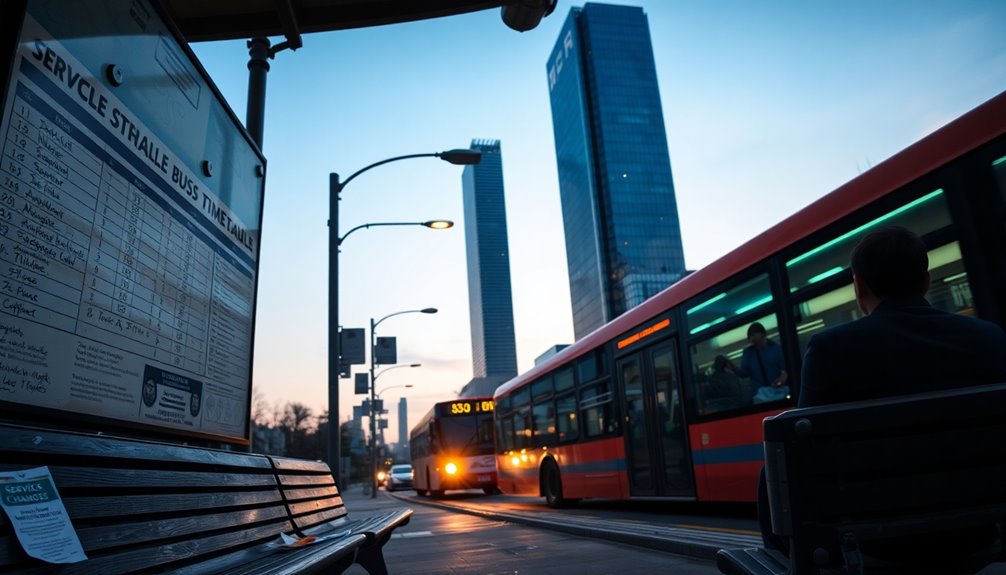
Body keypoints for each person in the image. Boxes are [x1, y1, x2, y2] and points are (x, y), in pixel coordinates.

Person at [758, 226, 1006, 567]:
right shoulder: (990, 338)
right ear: (926, 279)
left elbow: (806, 454)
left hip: (872, 543)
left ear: (858, 285)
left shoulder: (830, 349)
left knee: (774, 463)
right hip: (979, 532)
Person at [727, 322, 788, 403]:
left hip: (778, 390)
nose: (751, 339)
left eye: (753, 335)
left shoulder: (775, 347)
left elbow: (785, 368)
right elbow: (744, 373)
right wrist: (733, 368)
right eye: (750, 336)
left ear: (762, 333)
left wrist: (783, 378)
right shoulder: (748, 352)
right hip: (759, 394)